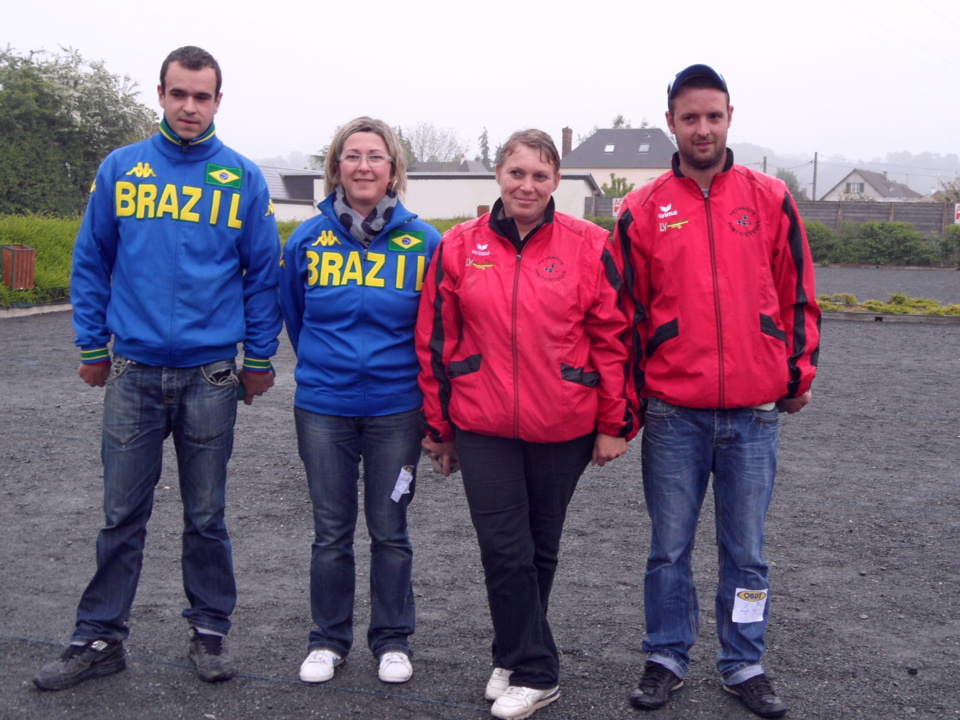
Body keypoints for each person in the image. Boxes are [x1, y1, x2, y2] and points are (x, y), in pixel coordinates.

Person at [33, 46, 282, 691]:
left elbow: (263, 278)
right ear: (162, 95)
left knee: (206, 514)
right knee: (121, 513)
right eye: (179, 94)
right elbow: (91, 260)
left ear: (219, 101)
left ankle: (208, 633)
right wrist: (93, 346)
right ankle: (98, 637)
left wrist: (258, 358)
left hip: (210, 376)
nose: (190, 107)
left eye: (202, 96)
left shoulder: (243, 179)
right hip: (134, 369)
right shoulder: (123, 169)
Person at [617, 64, 820, 718]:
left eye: (713, 116)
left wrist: (796, 374)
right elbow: (624, 313)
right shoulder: (643, 209)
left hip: (754, 416)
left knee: (747, 553)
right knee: (668, 548)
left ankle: (744, 660)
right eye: (689, 118)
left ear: (730, 115)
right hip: (674, 413)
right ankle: (666, 654)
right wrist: (627, 403)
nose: (702, 129)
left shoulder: (770, 198)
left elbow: (799, 295)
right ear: (670, 123)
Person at [417, 129, 637, 720]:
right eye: (517, 173)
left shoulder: (591, 245)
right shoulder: (459, 246)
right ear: (498, 175)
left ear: (556, 182)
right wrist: (438, 427)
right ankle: (538, 671)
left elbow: (614, 338)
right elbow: (436, 340)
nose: (527, 185)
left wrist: (615, 422)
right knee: (503, 546)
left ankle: (511, 654)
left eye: (540, 176)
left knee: (540, 546)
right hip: (483, 422)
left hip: (562, 421)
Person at [280, 117, 441, 686]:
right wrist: (331, 369)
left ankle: (392, 639)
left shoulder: (425, 242)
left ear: (393, 168)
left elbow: (436, 328)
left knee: (389, 527)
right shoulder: (305, 238)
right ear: (336, 168)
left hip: (397, 410)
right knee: (330, 530)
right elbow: (294, 318)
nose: (364, 166)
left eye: (376, 156)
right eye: (352, 156)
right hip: (324, 408)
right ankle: (328, 639)